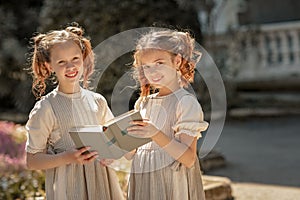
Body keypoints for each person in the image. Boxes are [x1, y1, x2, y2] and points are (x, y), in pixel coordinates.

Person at [25, 23, 124, 200]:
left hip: (102, 182)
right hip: (69, 187)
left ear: (83, 59)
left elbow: (114, 141)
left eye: (75, 59)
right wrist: (67, 157)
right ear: (49, 66)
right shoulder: (46, 108)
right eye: (61, 62)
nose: (70, 66)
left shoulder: (97, 101)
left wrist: (114, 151)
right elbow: (32, 161)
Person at [126, 29, 209, 200]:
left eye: (159, 63)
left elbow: (188, 159)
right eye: (147, 66)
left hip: (172, 183)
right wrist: (118, 143)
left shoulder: (185, 103)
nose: (153, 71)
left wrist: (155, 133)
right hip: (143, 181)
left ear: (177, 61)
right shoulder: (142, 103)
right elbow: (133, 154)